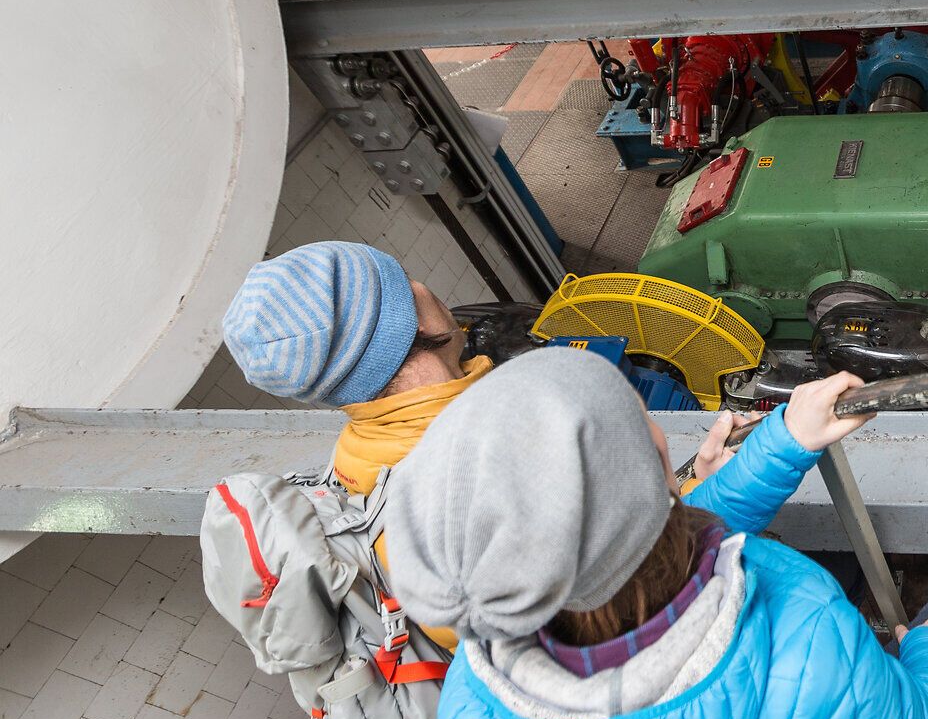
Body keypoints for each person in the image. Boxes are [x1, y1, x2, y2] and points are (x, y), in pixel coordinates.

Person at [382, 347, 928, 719]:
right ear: (660, 470)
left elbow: (637, 549)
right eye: (644, 428)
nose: (660, 434)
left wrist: (785, 441)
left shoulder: (486, 674)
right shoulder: (816, 662)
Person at [219, 240, 753, 651]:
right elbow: (633, 610)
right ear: (415, 319)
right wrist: (696, 497)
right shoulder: (506, 463)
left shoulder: (359, 458)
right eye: (405, 278)